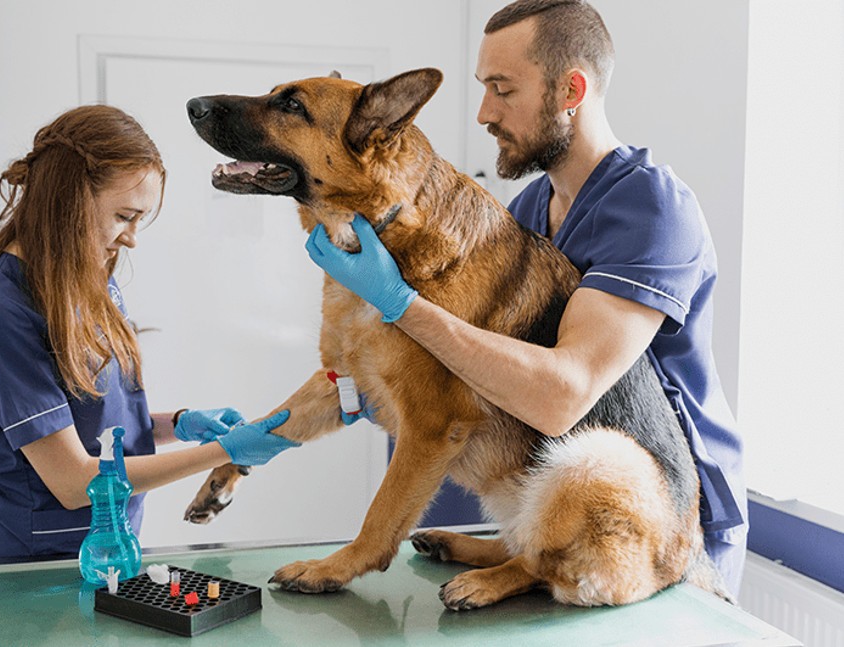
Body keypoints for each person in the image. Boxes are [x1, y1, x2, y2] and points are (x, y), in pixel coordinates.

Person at [305, 0, 747, 595]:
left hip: (645, 517)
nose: (485, 113)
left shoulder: (648, 207)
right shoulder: (529, 209)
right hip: (550, 504)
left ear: (572, 89)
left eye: (502, 89)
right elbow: (465, 372)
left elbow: (562, 396)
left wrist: (401, 305)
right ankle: (514, 553)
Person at [0, 105, 297, 561]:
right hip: (34, 564)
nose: (132, 237)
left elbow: (100, 425)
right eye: (124, 216)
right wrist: (223, 451)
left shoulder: (89, 275)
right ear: (67, 201)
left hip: (109, 545)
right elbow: (73, 481)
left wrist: (181, 424)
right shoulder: (0, 309)